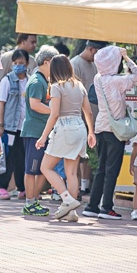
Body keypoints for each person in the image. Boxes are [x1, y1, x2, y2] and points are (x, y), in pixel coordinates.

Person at [84, 45, 137, 220]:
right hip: (115, 129)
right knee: (112, 169)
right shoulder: (118, 81)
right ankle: (107, 207)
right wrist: (126, 57)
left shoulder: (98, 78)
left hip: (101, 127)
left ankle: (92, 205)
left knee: (101, 168)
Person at [35, 55, 95, 222]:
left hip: (64, 128)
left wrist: (43, 136)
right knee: (72, 173)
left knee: (45, 167)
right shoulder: (79, 85)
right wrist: (91, 132)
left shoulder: (56, 87)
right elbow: (88, 112)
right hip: (80, 127)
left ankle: (67, 199)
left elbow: (54, 114)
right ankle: (72, 212)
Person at [19, 45, 56, 216]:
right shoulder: (36, 81)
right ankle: (30, 203)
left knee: (41, 168)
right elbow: (35, 105)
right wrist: (55, 111)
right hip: (35, 132)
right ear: (46, 62)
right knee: (31, 169)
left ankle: (34, 201)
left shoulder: (42, 81)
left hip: (42, 131)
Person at [70, 40, 107, 191]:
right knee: (77, 156)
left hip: (94, 118)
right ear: (91, 49)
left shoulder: (94, 65)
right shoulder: (75, 64)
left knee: (89, 156)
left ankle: (85, 186)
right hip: (80, 118)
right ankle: (76, 187)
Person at [0, 49, 29, 199]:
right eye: (15, 63)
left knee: (22, 158)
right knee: (8, 157)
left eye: (21, 63)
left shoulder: (30, 81)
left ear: (27, 64)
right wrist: (1, 125)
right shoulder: (7, 80)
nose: (18, 66)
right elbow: (1, 104)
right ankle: (1, 187)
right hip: (9, 127)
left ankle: (22, 188)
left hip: (25, 127)